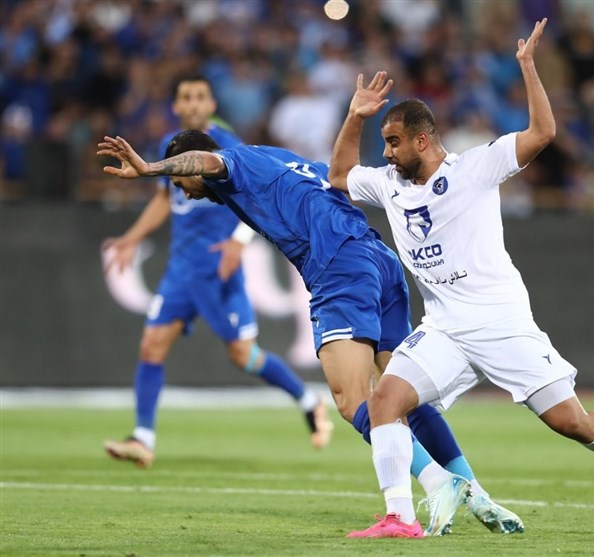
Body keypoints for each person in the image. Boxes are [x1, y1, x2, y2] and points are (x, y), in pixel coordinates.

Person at [327, 18, 594, 538]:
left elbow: (543, 133)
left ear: (423, 139)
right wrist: (356, 116)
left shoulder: (476, 168)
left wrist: (528, 67)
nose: (388, 152)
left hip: (501, 322)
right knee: (384, 401)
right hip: (444, 328)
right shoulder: (388, 184)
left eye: (394, 142)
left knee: (571, 422)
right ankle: (400, 517)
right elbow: (338, 176)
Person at [97, 129, 525, 537]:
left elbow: (207, 162)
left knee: (353, 399)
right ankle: (476, 495)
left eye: (180, 183)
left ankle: (436, 484)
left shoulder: (232, 162)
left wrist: (151, 168)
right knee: (400, 393)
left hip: (338, 267)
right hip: (379, 259)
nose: (185, 193)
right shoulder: (276, 158)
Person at [102, 76, 332, 470]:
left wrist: (239, 241)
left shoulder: (225, 145)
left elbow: (256, 193)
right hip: (181, 269)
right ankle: (143, 438)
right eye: (186, 97)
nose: (193, 104)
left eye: (200, 97)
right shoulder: (171, 145)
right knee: (151, 345)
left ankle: (309, 400)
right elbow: (164, 199)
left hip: (217, 268)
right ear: (176, 106)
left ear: (211, 104)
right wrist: (131, 237)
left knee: (243, 355)